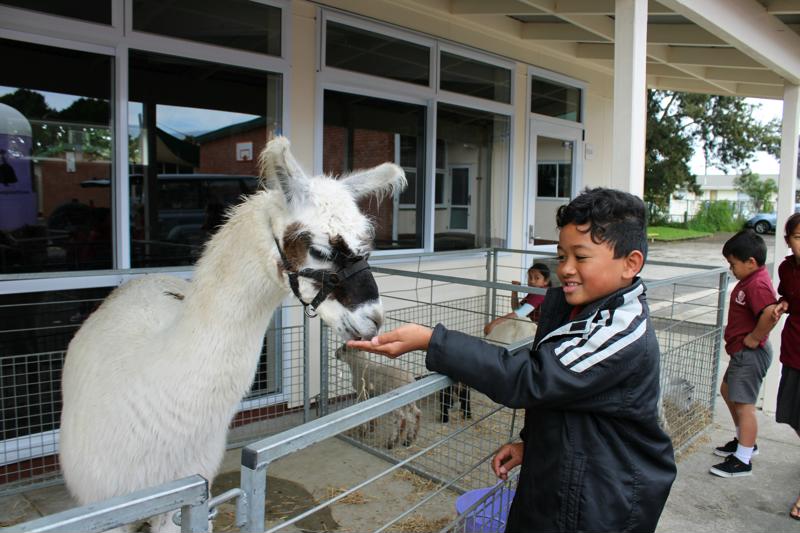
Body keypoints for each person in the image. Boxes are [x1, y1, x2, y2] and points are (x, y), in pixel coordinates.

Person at [348, 187, 676, 533]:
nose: (565, 269)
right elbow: (568, 400)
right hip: (566, 481)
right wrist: (531, 446)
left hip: (600, 504)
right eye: (561, 255)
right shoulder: (578, 307)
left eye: (580, 257)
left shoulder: (620, 330)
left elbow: (533, 379)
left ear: (630, 263)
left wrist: (432, 341)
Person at [711, 229, 778, 478]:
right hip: (741, 353)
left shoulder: (757, 283)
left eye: (733, 264)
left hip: (749, 354)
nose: (731, 269)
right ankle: (744, 440)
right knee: (728, 390)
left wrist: (754, 337)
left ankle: (743, 459)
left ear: (750, 262)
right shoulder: (751, 280)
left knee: (744, 405)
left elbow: (770, 313)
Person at [771, 213, 800, 519]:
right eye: (799, 237)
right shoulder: (786, 269)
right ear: (788, 241)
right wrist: (784, 304)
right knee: (793, 415)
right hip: (794, 350)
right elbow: (790, 296)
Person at [483, 262, 551, 336]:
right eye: (530, 277)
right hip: (535, 329)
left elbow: (522, 312)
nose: (532, 281)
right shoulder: (534, 292)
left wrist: (494, 323)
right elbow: (517, 309)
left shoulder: (541, 293)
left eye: (537, 278)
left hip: (541, 332)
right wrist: (514, 290)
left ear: (546, 281)